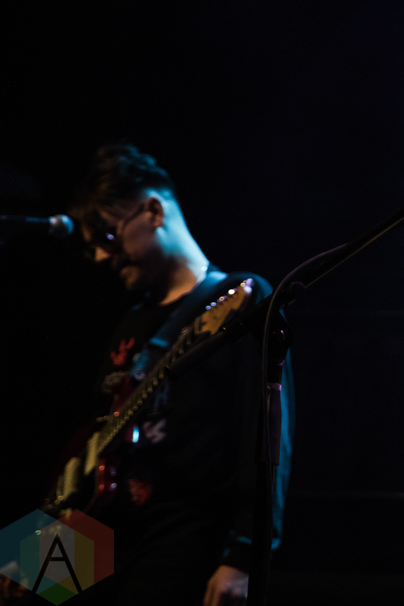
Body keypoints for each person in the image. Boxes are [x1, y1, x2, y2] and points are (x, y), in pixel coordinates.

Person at [61, 144, 292, 606]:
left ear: (152, 211)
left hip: (178, 537)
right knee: (12, 583)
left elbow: (266, 433)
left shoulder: (240, 297)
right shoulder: (129, 322)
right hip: (98, 534)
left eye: (107, 236)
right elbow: (88, 445)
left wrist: (245, 554)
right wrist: (31, 556)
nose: (102, 257)